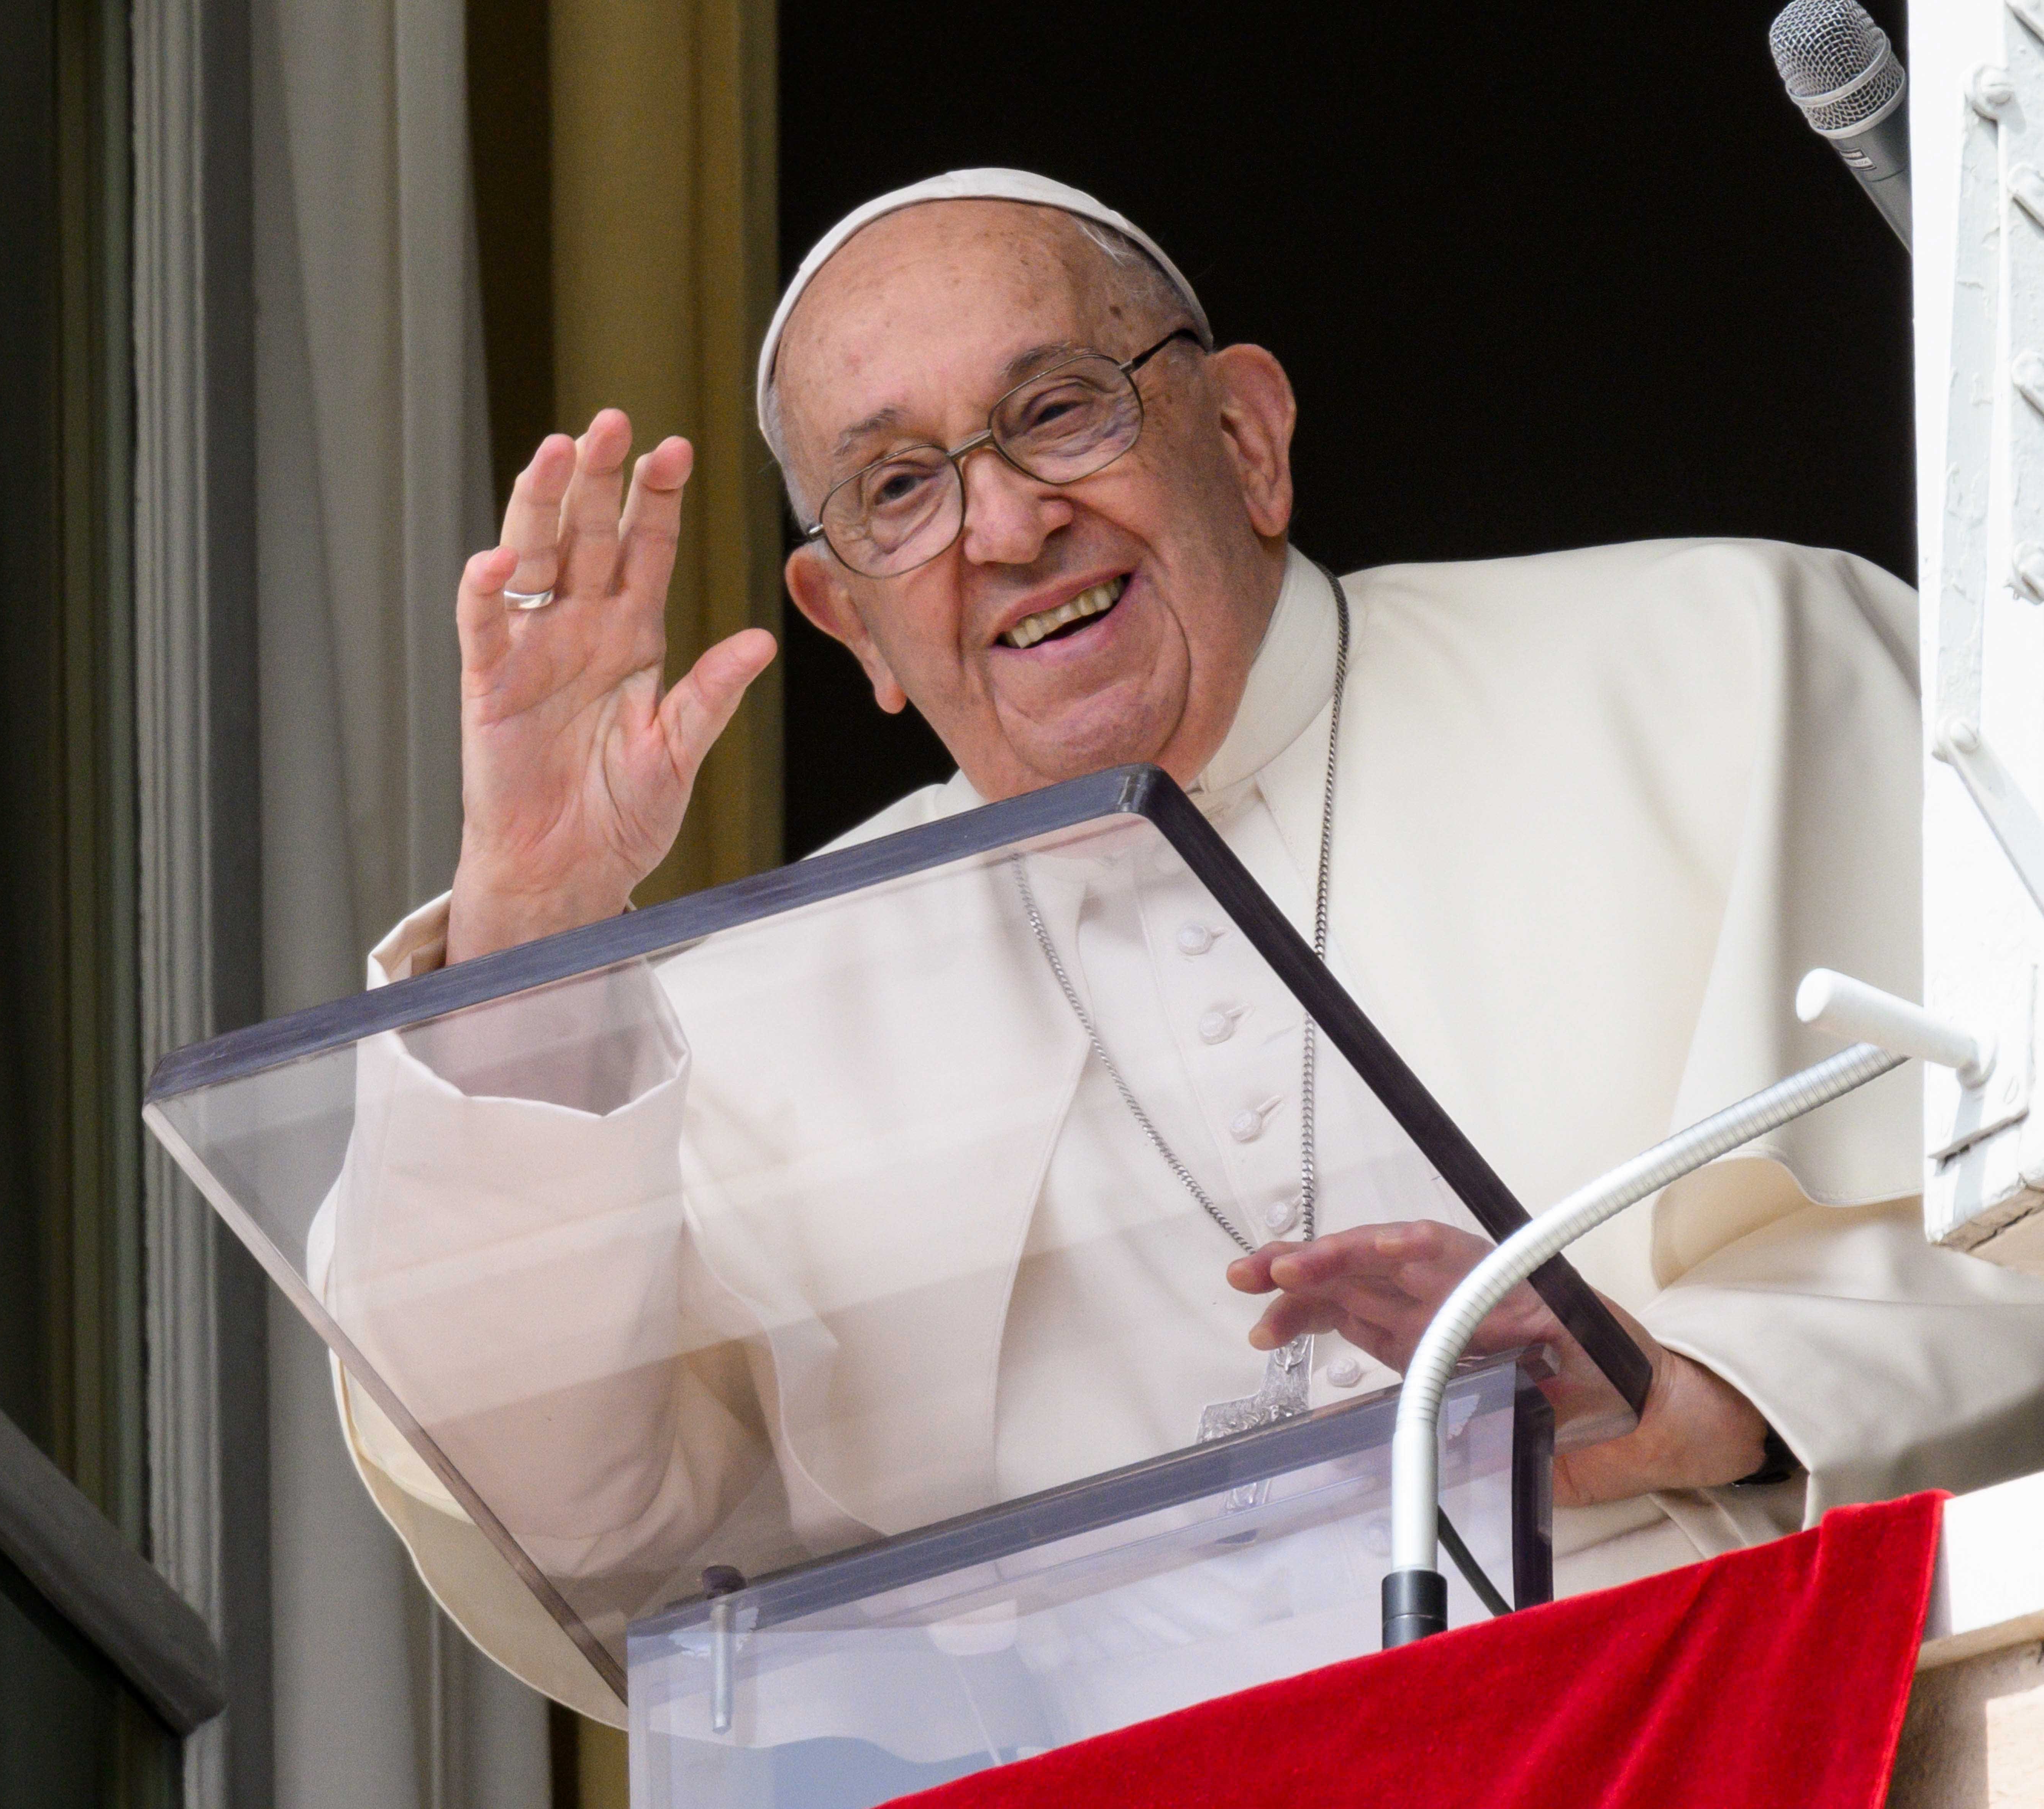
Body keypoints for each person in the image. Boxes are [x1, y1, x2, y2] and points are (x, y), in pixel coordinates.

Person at [315, 169, 2044, 1724]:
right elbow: (568, 1512)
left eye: (1055, 413)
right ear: (852, 622)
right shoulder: (759, 997)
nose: (1003, 526)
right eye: (898, 487)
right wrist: (529, 918)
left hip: (1730, 1724)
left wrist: (1708, 1387)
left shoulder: (1737, 661)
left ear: (1243, 436)